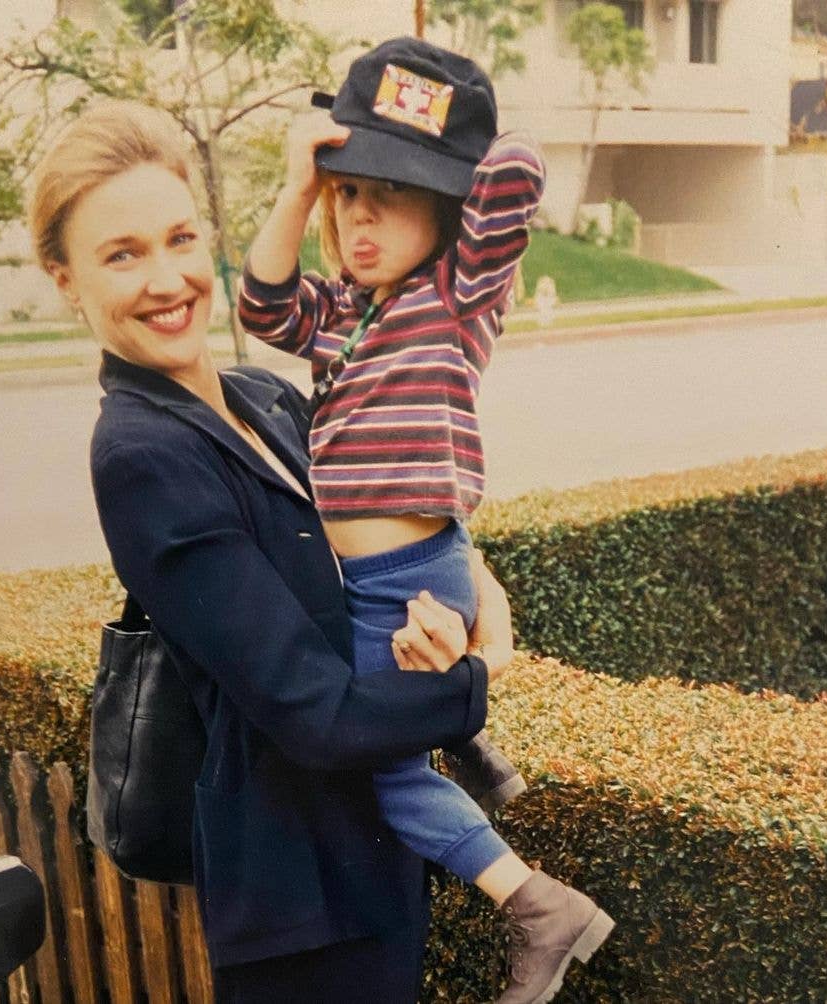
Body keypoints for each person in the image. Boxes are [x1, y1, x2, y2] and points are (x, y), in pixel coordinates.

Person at [28, 98, 517, 1004]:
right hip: (302, 913)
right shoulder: (142, 456)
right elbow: (311, 710)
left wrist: (459, 600)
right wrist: (479, 677)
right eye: (121, 254)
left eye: (179, 239)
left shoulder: (268, 401)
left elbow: (385, 541)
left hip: (376, 856)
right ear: (65, 279)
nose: (168, 279)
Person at [238, 37, 614, 1004]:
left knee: (377, 769)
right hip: (370, 581)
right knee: (383, 742)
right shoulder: (350, 313)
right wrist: (294, 182)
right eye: (349, 195)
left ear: (444, 206)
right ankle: (475, 746)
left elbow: (518, 170)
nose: (363, 219)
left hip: (408, 580)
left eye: (394, 195)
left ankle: (536, 905)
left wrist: (426, 120)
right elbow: (263, 306)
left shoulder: (456, 296)